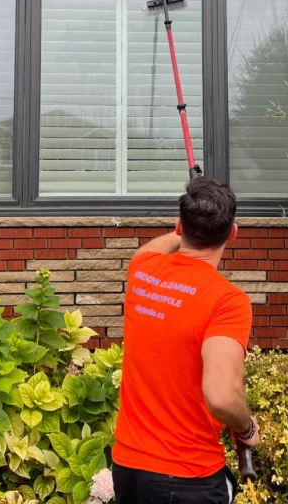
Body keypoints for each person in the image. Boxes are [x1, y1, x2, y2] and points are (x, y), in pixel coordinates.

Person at [112, 176, 259, 504]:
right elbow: (221, 397)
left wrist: (193, 218)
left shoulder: (143, 271)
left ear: (178, 227)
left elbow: (152, 248)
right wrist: (247, 428)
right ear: (232, 234)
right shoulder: (227, 301)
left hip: (128, 469)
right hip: (186, 477)